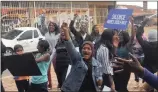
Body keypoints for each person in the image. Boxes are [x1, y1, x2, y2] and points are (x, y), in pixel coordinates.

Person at [60, 23, 103, 92]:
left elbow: (99, 80)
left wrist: (100, 81)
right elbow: (70, 47)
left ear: (92, 51)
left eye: (89, 49)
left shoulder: (97, 64)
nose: (86, 50)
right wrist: (66, 32)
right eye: (84, 48)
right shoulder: (77, 59)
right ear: (81, 50)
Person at [113, 17, 135, 92]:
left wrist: (132, 23)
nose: (120, 37)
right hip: (116, 67)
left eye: (122, 36)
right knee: (117, 86)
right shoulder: (117, 46)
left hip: (125, 68)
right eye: (119, 36)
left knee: (123, 87)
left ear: (125, 37)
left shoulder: (127, 45)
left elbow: (132, 37)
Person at [45, 21, 60, 89]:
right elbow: (46, 44)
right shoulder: (46, 34)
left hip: (56, 53)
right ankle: (49, 84)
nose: (51, 26)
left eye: (53, 25)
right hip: (48, 53)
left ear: (55, 27)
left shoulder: (58, 34)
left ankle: (60, 83)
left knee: (57, 69)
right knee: (47, 70)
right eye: (50, 25)